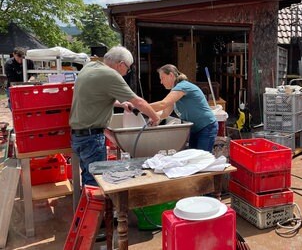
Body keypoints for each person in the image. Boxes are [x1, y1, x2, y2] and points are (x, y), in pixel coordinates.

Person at [69, 46, 160, 186]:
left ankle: (86, 206)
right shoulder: (110, 75)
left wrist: (122, 104)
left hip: (78, 136)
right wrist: (155, 117)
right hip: (91, 137)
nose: (126, 72)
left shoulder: (90, 67)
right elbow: (138, 102)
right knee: (96, 183)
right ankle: (96, 208)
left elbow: (97, 97)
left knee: (88, 176)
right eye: (128, 68)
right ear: (121, 64)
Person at [151, 64, 218, 152]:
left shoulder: (182, 86)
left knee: (202, 159)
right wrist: (153, 116)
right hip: (195, 129)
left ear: (171, 75)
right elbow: (165, 112)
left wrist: (139, 106)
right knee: (192, 159)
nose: (161, 82)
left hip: (206, 127)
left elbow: (162, 104)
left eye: (162, 78)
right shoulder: (175, 90)